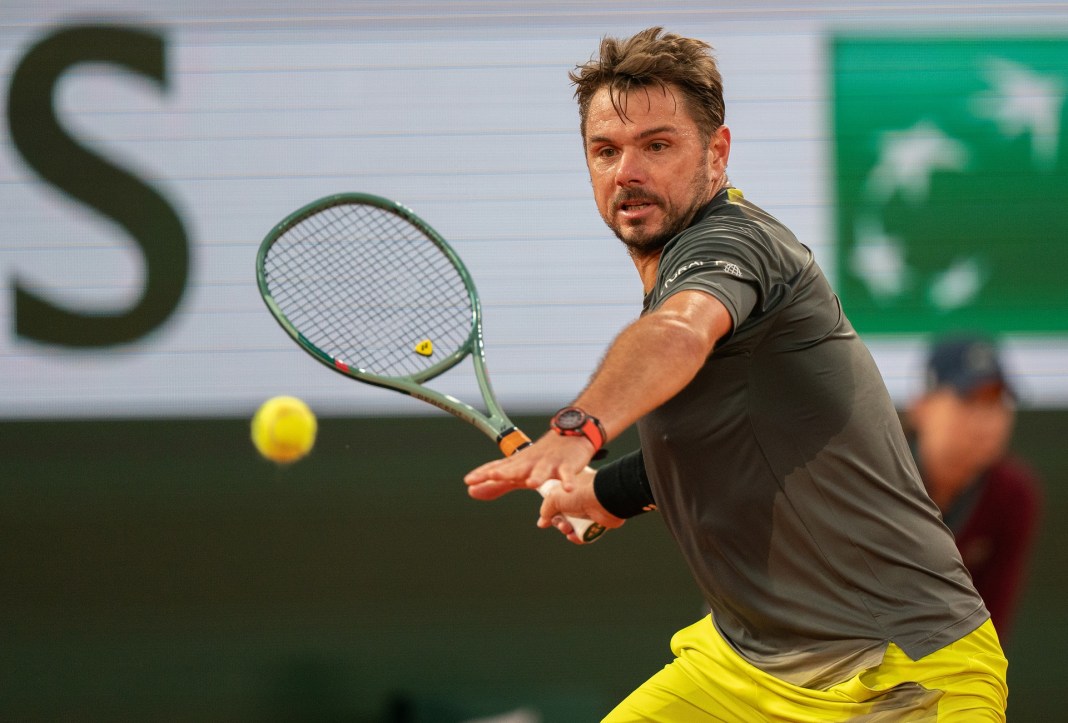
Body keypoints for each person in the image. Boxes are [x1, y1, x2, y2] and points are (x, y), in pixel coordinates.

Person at [464, 27, 1007, 721]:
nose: (627, 171)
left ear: (716, 154)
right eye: (606, 152)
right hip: (743, 671)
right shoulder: (681, 270)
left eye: (657, 145)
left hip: (901, 670)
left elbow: (676, 335)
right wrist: (608, 491)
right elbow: (735, 437)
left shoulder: (732, 244)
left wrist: (579, 428)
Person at [907, 334, 1043, 643]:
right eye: (969, 399)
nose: (987, 419)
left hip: (954, 670)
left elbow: (990, 627)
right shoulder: (876, 476)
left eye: (997, 401)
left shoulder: (1013, 495)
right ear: (922, 408)